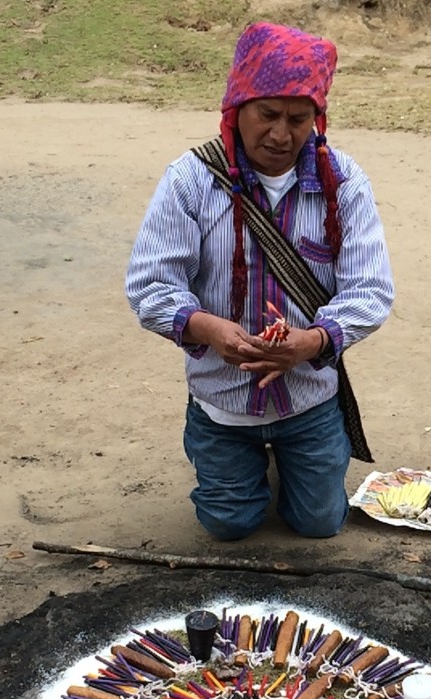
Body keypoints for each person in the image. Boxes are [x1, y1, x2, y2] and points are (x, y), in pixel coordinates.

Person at [126, 21, 394, 541]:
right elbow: (150, 285)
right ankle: (235, 463)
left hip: (309, 396)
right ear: (237, 108)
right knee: (229, 525)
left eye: (299, 119)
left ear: (317, 118)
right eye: (267, 114)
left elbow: (370, 290)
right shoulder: (191, 179)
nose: (281, 134)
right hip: (221, 400)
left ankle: (294, 462)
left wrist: (312, 342)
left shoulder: (344, 182)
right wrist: (207, 329)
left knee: (319, 524)